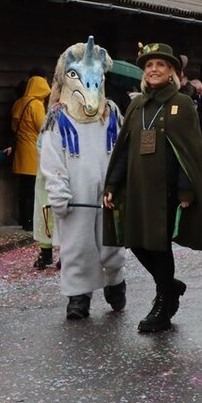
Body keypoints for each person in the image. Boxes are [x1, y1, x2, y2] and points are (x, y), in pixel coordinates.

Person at [103, 42, 202, 333]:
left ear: (172, 71)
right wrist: (112, 184)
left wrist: (186, 190)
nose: (153, 70)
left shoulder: (182, 103)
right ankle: (170, 285)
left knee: (159, 246)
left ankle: (163, 306)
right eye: (149, 65)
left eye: (160, 65)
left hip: (166, 192)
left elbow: (190, 151)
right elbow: (124, 149)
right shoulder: (137, 105)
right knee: (135, 242)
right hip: (136, 189)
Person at [37, 39, 127, 321]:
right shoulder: (58, 119)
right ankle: (79, 294)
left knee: (112, 243)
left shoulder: (111, 114)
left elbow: (122, 150)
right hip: (76, 194)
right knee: (77, 245)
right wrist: (58, 191)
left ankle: (115, 280)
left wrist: (121, 185)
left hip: (109, 192)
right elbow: (52, 159)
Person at [8, 68, 50, 236]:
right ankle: (30, 222)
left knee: (22, 188)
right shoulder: (36, 105)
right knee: (33, 189)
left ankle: (21, 218)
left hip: (20, 151)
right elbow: (42, 128)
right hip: (33, 151)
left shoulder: (18, 103)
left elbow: (14, 127)